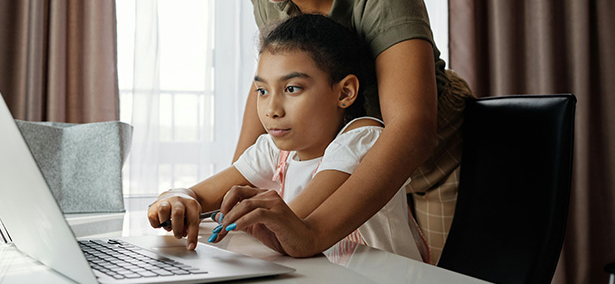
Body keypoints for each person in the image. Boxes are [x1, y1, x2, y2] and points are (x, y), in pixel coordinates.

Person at [199, 0, 474, 262]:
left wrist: (312, 233)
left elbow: (411, 128)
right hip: (346, 163)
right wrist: (230, 196)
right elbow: (270, 82)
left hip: (432, 164)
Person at [148, 14, 425, 261]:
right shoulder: (275, 150)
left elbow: (292, 225)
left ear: (344, 93)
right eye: (262, 91)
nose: (271, 110)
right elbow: (199, 193)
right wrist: (177, 199)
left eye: (292, 88)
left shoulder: (362, 139)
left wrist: (236, 214)